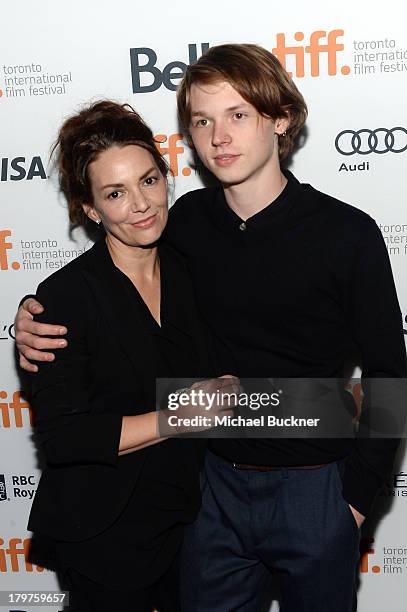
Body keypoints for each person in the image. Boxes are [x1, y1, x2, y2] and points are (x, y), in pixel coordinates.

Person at [16, 44, 407, 612]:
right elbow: (107, 274)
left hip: (316, 487)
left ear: (282, 119)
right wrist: (31, 313)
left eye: (238, 115)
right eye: (202, 120)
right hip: (209, 491)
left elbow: (390, 378)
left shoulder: (348, 235)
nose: (219, 136)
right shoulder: (185, 224)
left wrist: (354, 499)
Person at [17, 100, 237, 612]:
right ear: (91, 209)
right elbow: (65, 436)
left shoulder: (190, 268)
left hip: (188, 519)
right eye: (115, 193)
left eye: (149, 181)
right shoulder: (65, 299)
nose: (141, 204)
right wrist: (175, 419)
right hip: (104, 530)